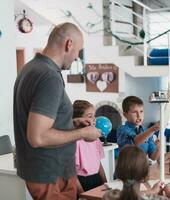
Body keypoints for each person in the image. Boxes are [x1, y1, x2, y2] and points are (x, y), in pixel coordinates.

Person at [13, 22, 100, 199]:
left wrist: (72, 125)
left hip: (47, 171)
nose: (77, 57)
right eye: (79, 51)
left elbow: (41, 121)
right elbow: (38, 137)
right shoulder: (49, 76)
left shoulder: (31, 68)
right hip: (51, 174)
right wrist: (82, 132)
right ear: (69, 45)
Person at [73, 100, 107, 195]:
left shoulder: (96, 139)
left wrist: (105, 183)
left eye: (94, 116)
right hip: (81, 182)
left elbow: (99, 165)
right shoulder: (75, 142)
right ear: (78, 119)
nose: (94, 119)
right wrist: (82, 193)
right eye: (90, 116)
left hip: (97, 179)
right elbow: (72, 173)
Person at [117, 96, 160, 161]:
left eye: (141, 111)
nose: (139, 115)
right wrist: (153, 129)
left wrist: (159, 147)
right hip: (127, 168)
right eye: (134, 112)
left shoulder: (146, 131)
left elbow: (153, 157)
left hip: (142, 168)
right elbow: (136, 141)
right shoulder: (122, 129)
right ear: (125, 115)